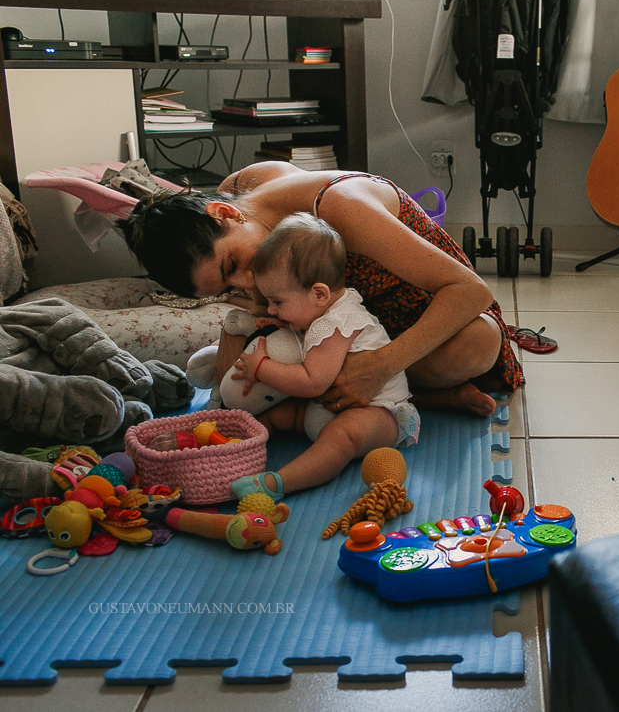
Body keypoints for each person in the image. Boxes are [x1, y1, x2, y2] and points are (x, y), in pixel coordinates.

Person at [120, 163, 523, 429]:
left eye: (232, 266)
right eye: (228, 289)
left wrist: (381, 365)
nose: (246, 284)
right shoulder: (236, 191)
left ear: (224, 215)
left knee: (478, 342)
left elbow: (471, 290)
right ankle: (419, 398)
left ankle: (407, 391)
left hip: (424, 320)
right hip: (337, 331)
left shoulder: (340, 208)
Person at [224, 213, 419, 499]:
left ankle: (278, 484)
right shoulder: (324, 308)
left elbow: (312, 382)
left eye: (278, 302)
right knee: (277, 415)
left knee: (341, 438)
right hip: (327, 406)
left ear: (319, 294)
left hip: (380, 412)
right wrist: (285, 322)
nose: (272, 309)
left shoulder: (335, 325)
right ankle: (234, 449)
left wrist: (261, 368)